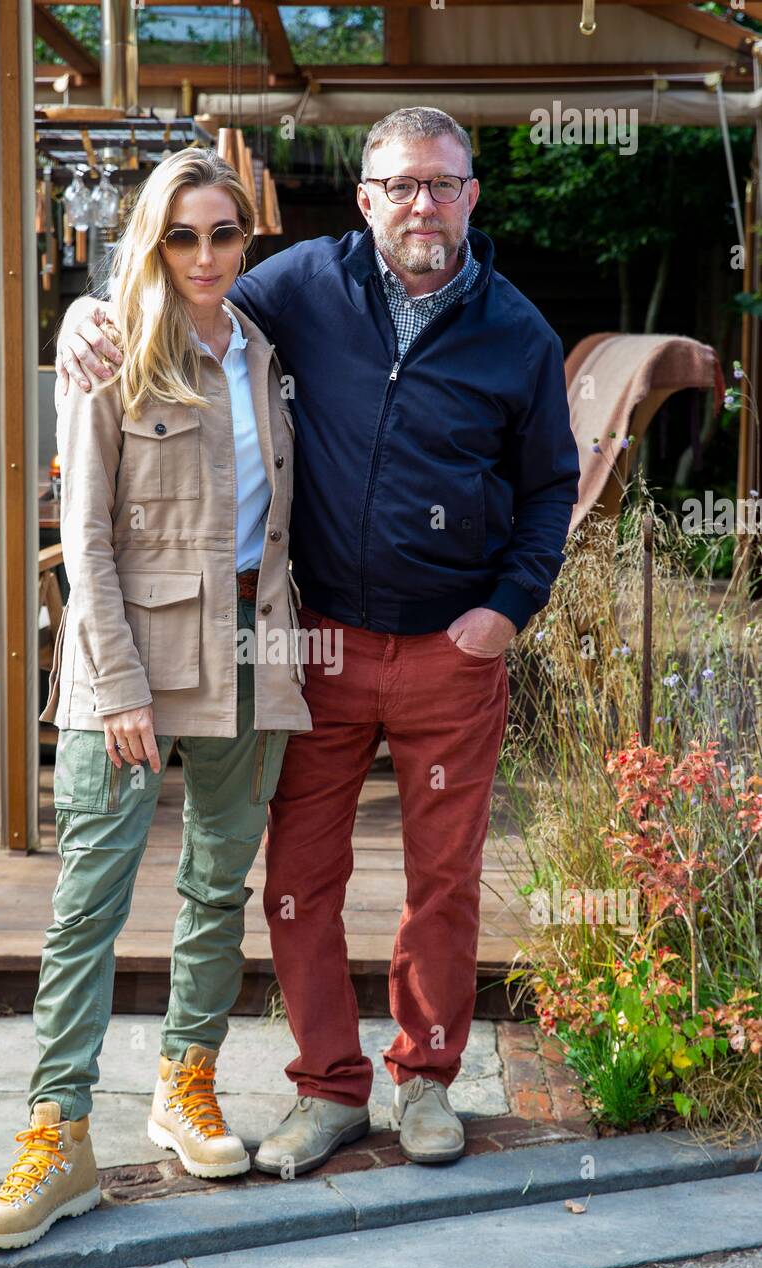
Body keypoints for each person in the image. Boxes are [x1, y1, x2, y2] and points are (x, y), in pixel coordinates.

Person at [56, 106, 581, 1178]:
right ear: (364, 198)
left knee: (443, 874)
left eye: (440, 184)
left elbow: (547, 488)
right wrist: (79, 316)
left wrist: (507, 609)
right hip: (318, 646)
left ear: (470, 196)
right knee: (298, 873)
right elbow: (175, 297)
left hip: (450, 648)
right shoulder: (296, 286)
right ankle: (328, 1085)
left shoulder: (515, 332)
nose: (420, 204)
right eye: (398, 185)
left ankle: (426, 1077)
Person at [0, 147, 311, 1250]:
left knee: (219, 887)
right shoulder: (111, 352)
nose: (205, 256)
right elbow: (86, 539)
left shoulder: (263, 348)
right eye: (182, 236)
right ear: (152, 241)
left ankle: (184, 1082)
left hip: (251, 651)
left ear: (244, 241)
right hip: (128, 664)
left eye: (223, 235)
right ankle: (57, 1135)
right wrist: (116, 684)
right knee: (88, 903)